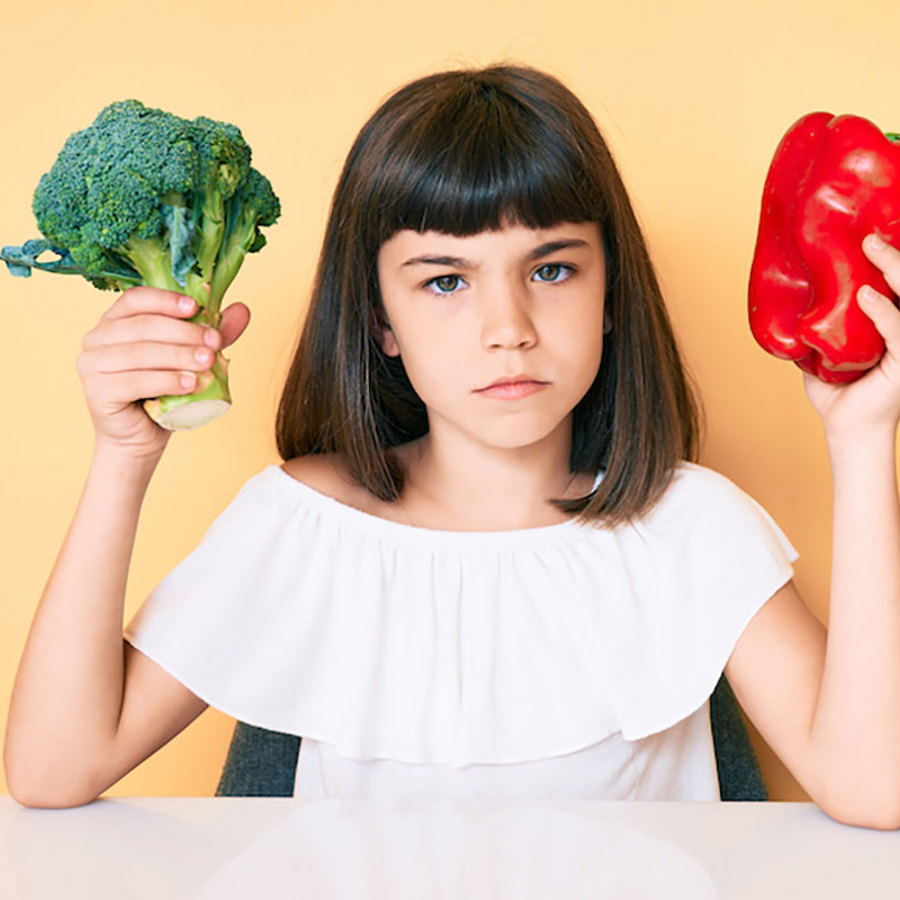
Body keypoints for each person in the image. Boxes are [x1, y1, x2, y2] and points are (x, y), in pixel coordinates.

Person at [5, 63, 900, 830]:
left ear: (612, 294)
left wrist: (861, 443)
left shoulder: (691, 526)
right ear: (380, 321)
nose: (506, 328)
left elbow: (874, 787)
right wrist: (124, 457)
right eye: (443, 281)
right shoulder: (303, 527)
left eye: (551, 270)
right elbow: (52, 771)